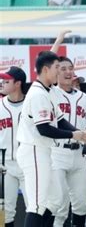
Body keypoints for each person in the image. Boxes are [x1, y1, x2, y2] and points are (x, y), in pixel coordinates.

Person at [16, 51, 86, 227]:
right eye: (57, 67)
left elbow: (60, 120)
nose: (59, 71)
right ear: (46, 70)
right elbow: (44, 129)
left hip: (43, 150)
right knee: (37, 205)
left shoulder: (47, 91)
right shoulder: (38, 94)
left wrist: (80, 134)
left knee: (55, 200)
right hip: (33, 150)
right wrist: (74, 135)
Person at [49, 56, 86, 227]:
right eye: (62, 68)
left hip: (79, 154)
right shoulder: (50, 93)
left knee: (82, 205)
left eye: (70, 68)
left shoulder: (84, 98)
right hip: (57, 152)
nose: (67, 72)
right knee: (59, 204)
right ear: (55, 71)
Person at [0, 67, 28, 227]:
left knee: (35, 208)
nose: (2, 83)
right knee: (5, 212)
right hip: (5, 166)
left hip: (28, 165)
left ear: (18, 83)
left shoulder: (31, 103)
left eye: (6, 81)